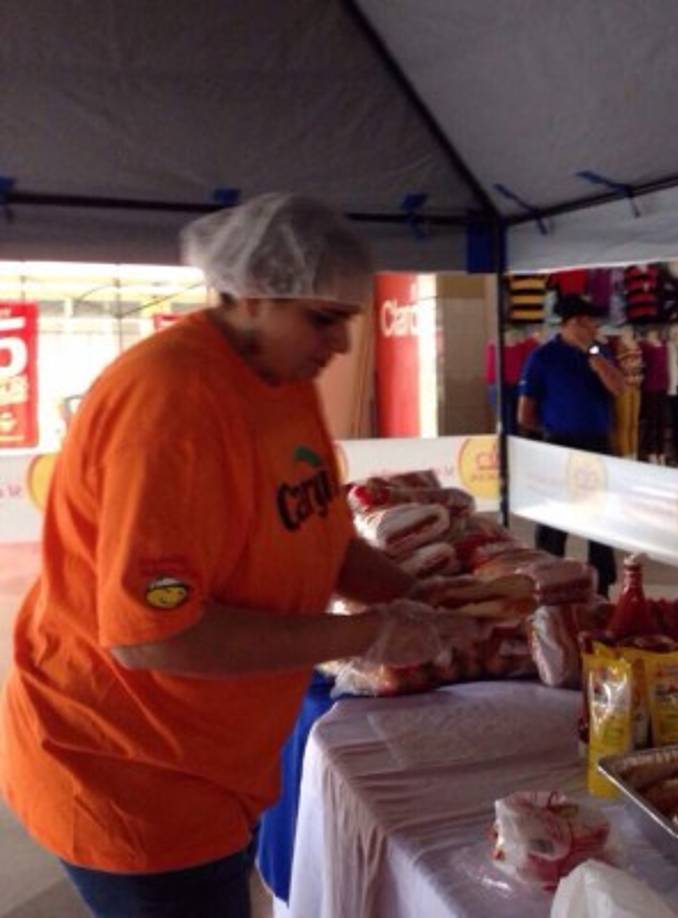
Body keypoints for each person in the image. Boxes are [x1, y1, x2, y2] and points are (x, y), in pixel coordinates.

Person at [0, 194, 471, 918]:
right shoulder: (172, 406)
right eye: (323, 319)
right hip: (129, 771)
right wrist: (367, 634)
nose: (343, 345)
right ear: (252, 296)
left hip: (216, 759)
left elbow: (317, 527)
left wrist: (418, 597)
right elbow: (154, 635)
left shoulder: (281, 381)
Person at [518, 294, 626, 594]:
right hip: (559, 443)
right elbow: (525, 414)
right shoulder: (543, 357)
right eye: (589, 322)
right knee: (554, 517)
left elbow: (619, 388)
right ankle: (547, 580)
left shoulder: (600, 352)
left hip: (597, 442)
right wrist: (552, 429)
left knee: (600, 517)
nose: (595, 328)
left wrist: (593, 354)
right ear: (573, 323)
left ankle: (601, 585)